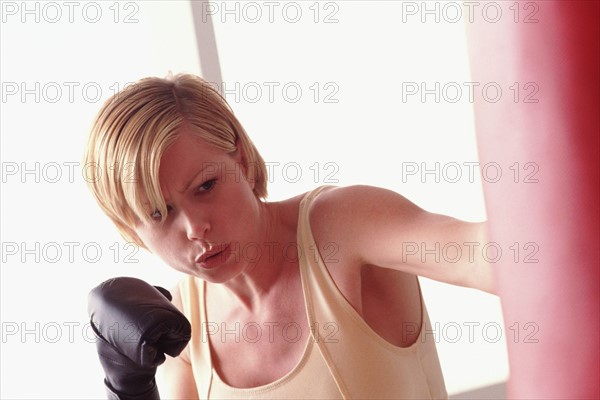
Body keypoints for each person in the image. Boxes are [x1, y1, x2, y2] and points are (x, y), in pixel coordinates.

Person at [84, 73, 495, 399]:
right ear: (130, 227)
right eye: (159, 213)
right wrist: (127, 389)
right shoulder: (181, 332)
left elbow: (487, 258)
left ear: (240, 161)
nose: (195, 228)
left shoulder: (341, 229)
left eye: (206, 186)